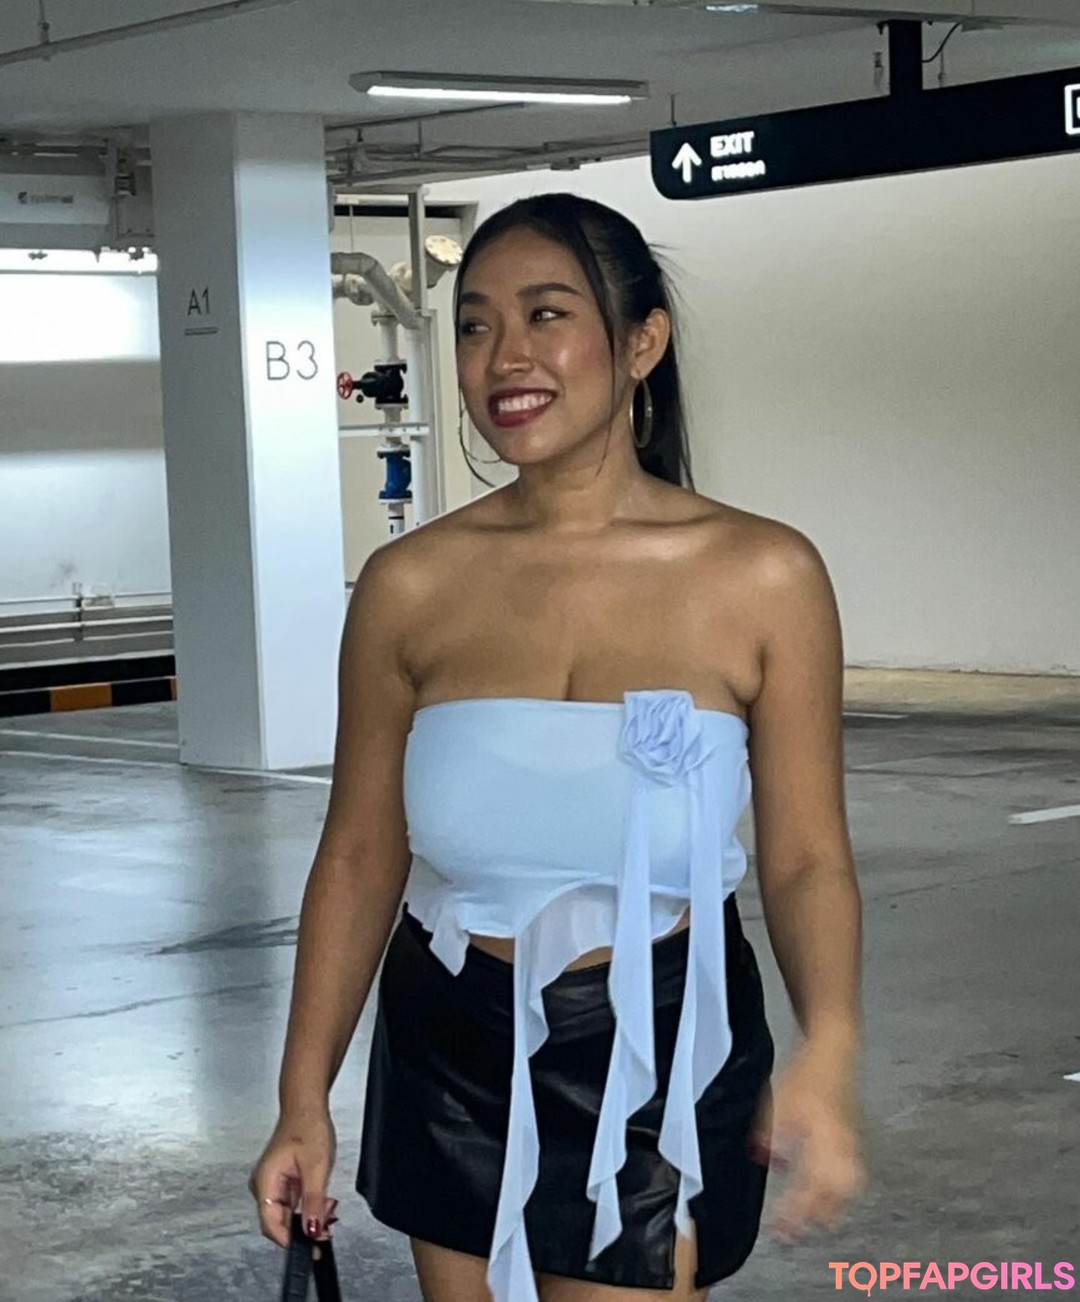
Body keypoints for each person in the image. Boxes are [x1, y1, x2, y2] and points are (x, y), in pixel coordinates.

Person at [250, 192, 865, 1302]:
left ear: (642, 342)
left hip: (661, 1040)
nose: (505, 358)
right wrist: (304, 1100)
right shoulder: (408, 587)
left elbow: (806, 858)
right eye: (475, 325)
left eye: (546, 315)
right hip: (448, 1042)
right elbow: (358, 855)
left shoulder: (763, 576)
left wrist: (829, 1047)